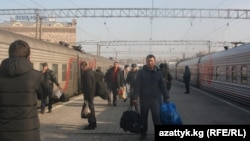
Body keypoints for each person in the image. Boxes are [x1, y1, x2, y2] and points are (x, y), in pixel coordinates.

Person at [0, 40, 43, 141]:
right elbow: (43, 95)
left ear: (9, 54)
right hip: (29, 134)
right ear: (28, 56)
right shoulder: (36, 76)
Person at [132, 54, 169, 140]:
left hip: (155, 99)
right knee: (143, 117)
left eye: (151, 61)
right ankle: (143, 133)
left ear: (154, 62)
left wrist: (166, 96)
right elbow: (137, 85)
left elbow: (162, 85)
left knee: (156, 117)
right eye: (148, 61)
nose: (149, 62)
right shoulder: (141, 72)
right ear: (146, 61)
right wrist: (135, 97)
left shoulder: (158, 72)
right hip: (144, 99)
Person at [80, 61, 97, 130]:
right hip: (90, 94)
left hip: (89, 95)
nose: (80, 68)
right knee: (91, 109)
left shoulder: (87, 74)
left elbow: (88, 86)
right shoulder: (90, 72)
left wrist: (86, 97)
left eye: (81, 67)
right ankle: (93, 123)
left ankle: (91, 124)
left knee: (89, 109)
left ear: (83, 66)